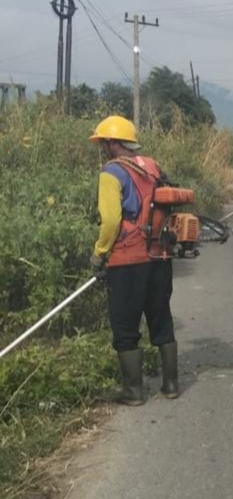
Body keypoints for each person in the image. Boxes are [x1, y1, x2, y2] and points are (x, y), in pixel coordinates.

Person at [88, 115, 179, 405]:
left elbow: (111, 220)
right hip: (159, 255)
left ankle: (134, 391)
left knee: (125, 325)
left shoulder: (111, 172)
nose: (103, 148)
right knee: (161, 318)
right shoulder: (152, 166)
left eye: (104, 143)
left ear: (113, 143)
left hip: (128, 259)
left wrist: (100, 252)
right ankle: (171, 385)